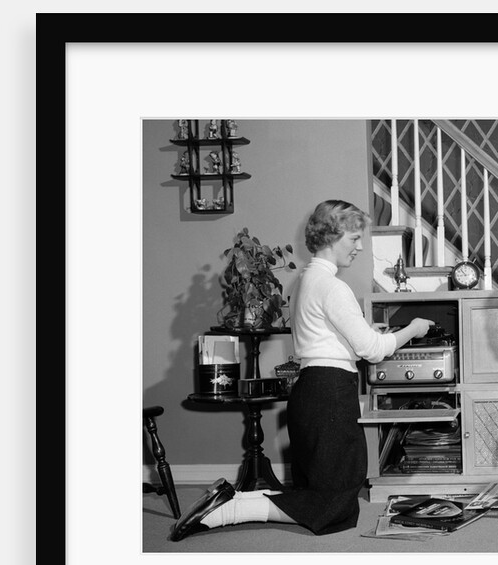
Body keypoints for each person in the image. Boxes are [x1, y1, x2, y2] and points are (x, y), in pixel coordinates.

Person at [171, 199, 434, 540]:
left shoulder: (306, 280)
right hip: (329, 393)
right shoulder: (333, 287)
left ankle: (231, 499)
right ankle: (228, 510)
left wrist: (368, 331)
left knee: (330, 492)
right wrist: (412, 329)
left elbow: (325, 335)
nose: (360, 246)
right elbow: (371, 351)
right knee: (332, 503)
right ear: (332, 235)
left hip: (313, 389)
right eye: (354, 238)